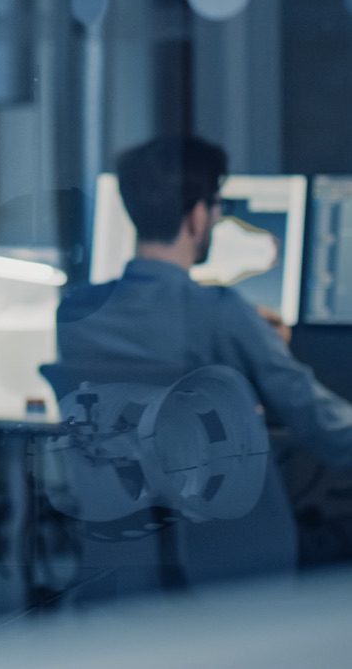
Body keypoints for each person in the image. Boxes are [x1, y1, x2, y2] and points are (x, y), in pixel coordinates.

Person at [52, 135, 352, 588]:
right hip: (232, 563)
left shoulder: (75, 314)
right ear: (197, 216)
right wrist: (261, 357)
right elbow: (316, 418)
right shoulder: (221, 313)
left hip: (124, 558)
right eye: (216, 208)